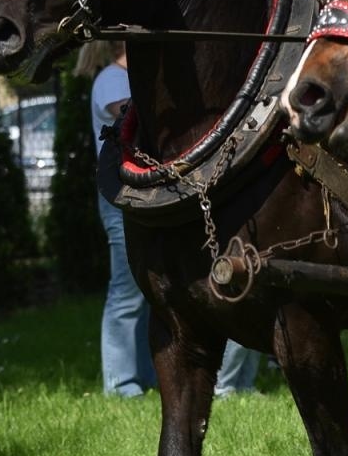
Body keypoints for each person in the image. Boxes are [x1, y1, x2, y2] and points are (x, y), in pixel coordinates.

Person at [76, 42, 260, 397]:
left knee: (153, 293)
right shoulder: (112, 80)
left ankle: (144, 377)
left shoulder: (134, 78)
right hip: (122, 200)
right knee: (127, 291)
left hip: (151, 198)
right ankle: (120, 384)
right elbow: (136, 115)